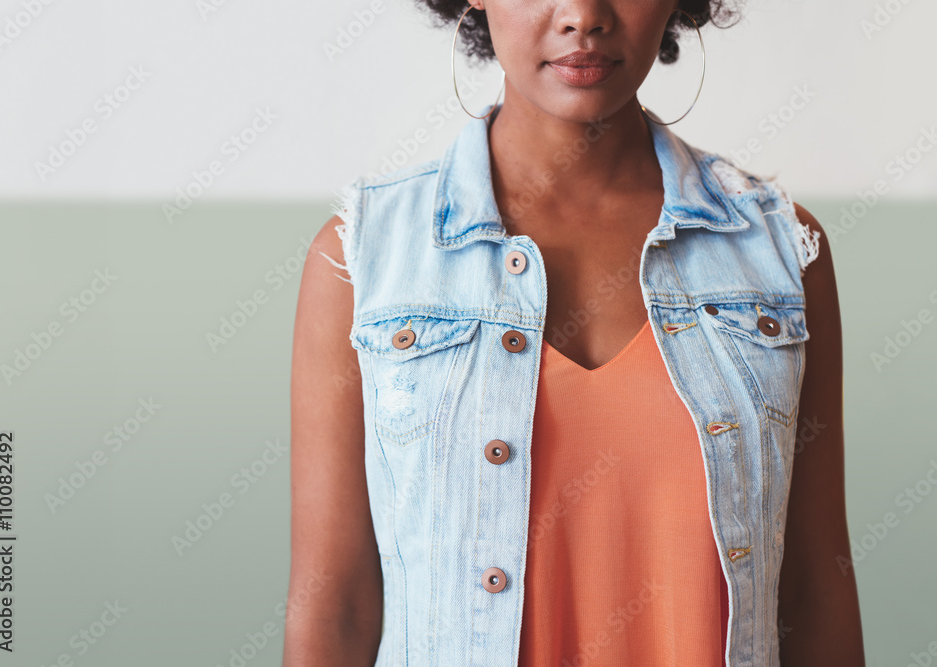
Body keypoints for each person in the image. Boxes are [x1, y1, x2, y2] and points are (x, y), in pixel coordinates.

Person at [283, 1, 865, 665]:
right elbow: (336, 608)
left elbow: (816, 592)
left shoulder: (780, 253)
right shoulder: (364, 261)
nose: (584, 15)